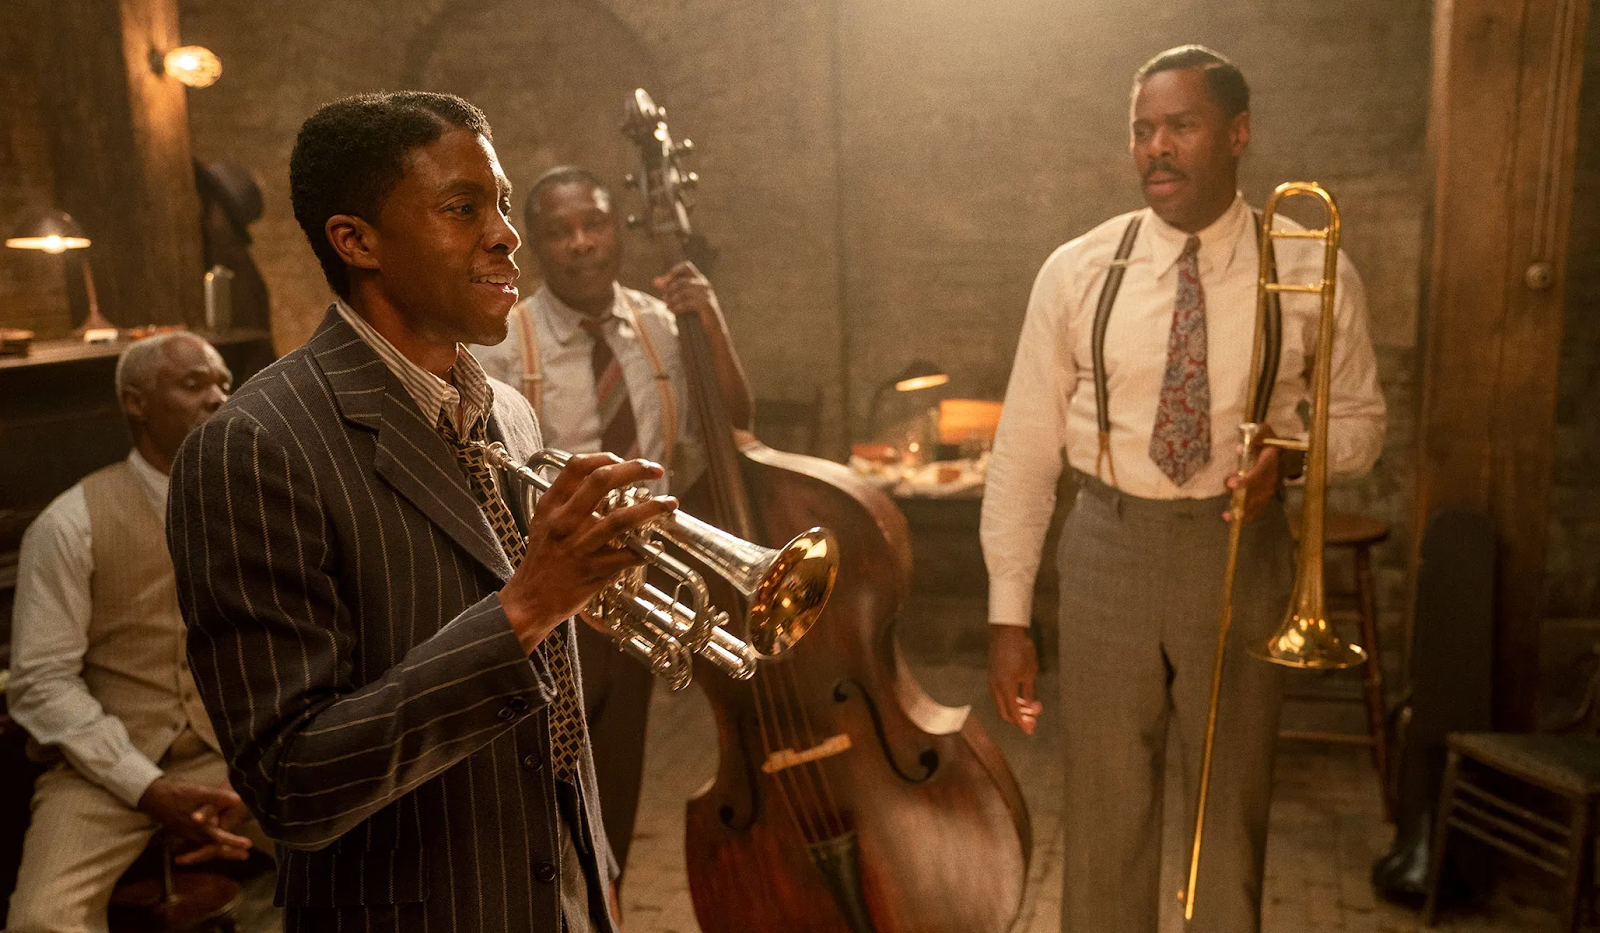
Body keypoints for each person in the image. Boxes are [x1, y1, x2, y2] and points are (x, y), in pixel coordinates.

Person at [167, 91, 676, 933]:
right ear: (356, 240)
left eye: (503, 205)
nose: (507, 234)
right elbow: (292, 784)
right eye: (462, 207)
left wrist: (592, 868)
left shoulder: (508, 413)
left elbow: (549, 719)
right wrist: (528, 605)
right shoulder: (255, 443)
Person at [981, 46, 1386, 933]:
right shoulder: (1080, 270)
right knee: (1105, 817)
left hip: (1240, 553)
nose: (1156, 147)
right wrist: (1010, 611)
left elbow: (1362, 426)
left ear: (1238, 135)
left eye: (1181, 126)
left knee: (1228, 818)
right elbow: (1023, 450)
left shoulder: (1312, 267)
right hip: (1106, 549)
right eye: (1142, 130)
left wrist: (1291, 455)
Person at [471, 165, 753, 884]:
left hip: (637, 582)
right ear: (534, 244)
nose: (581, 243)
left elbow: (735, 421)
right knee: (542, 767)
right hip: (543, 581)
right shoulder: (504, 338)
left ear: (616, 230)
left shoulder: (659, 325)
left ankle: (607, 895)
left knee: (616, 772)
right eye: (559, 232)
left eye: (594, 224)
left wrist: (709, 319)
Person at [7, 332, 263, 933]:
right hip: (109, 772)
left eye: (225, 382)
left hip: (241, 761)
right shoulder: (69, 522)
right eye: (193, 384)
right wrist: (143, 786)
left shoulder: (260, 505)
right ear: (135, 403)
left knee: (381, 853)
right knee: (43, 920)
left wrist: (256, 767)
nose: (219, 398)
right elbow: (41, 684)